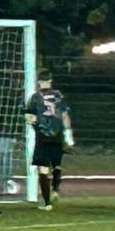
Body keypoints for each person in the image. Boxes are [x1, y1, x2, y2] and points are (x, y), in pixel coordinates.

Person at [24, 68, 74, 211]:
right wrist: (69, 137)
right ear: (51, 81)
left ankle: (47, 203)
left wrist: (36, 122)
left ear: (39, 82)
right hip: (57, 135)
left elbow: (29, 117)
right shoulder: (58, 96)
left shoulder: (35, 97)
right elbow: (65, 116)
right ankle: (55, 190)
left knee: (43, 168)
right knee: (57, 164)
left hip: (43, 136)